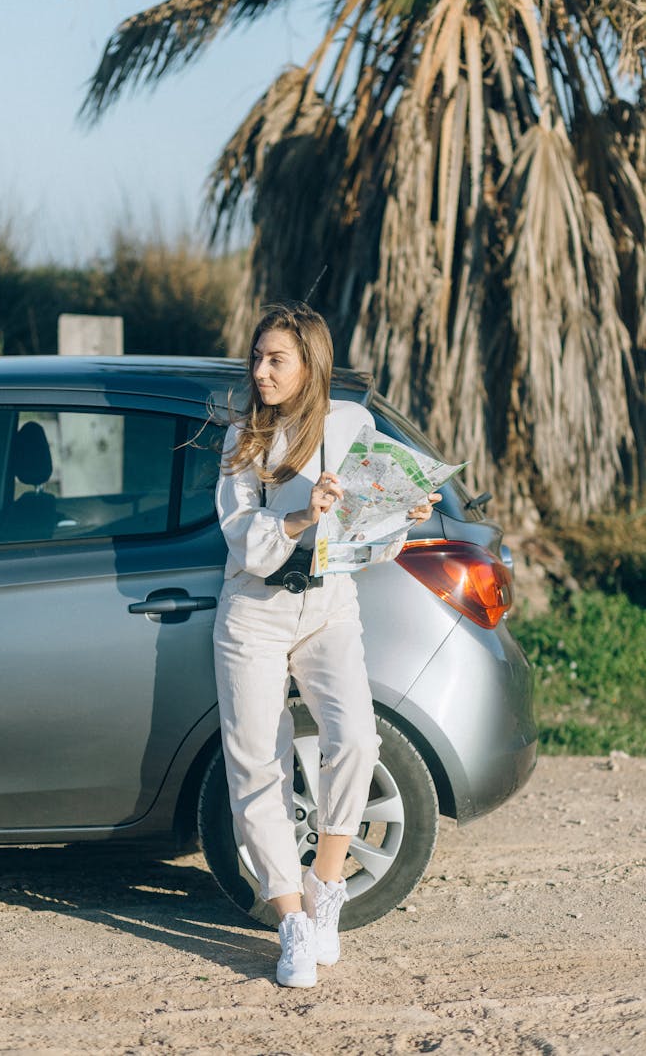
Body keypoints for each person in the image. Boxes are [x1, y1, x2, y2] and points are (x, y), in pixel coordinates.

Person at [212, 303, 439, 988]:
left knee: (357, 739)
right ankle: (291, 923)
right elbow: (242, 539)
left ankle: (327, 884)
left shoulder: (349, 424)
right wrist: (297, 516)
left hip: (329, 602)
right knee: (257, 765)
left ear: (310, 363)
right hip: (253, 609)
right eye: (257, 357)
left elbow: (368, 531)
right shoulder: (243, 436)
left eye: (276, 359)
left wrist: (404, 512)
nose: (261, 371)